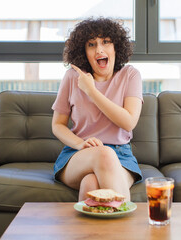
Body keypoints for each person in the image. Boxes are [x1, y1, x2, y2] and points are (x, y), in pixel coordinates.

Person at [52, 17, 143, 202]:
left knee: (91, 184)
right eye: (91, 45)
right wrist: (79, 144)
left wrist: (91, 91)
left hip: (121, 155)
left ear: (116, 46)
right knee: (103, 153)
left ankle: (87, 232)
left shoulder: (130, 75)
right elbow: (57, 125)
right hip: (78, 154)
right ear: (84, 52)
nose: (99, 49)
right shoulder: (72, 77)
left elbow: (128, 122)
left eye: (106, 42)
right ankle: (127, 228)